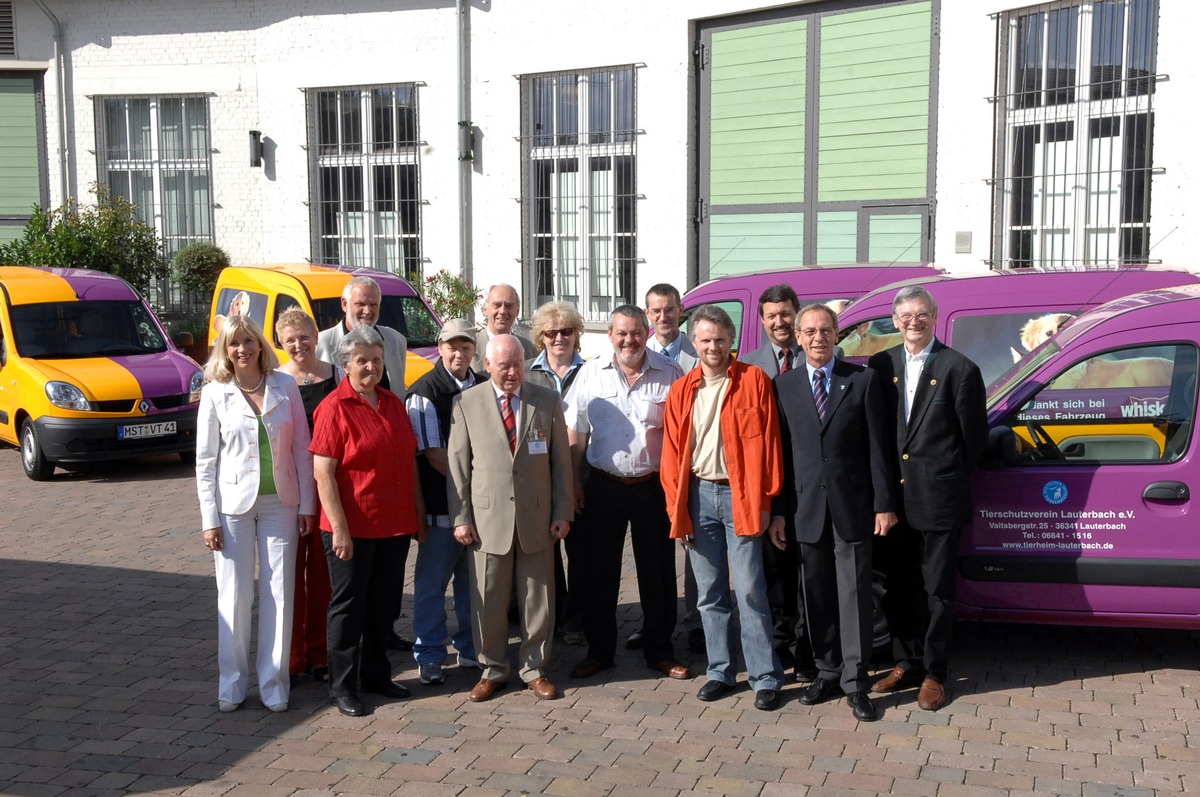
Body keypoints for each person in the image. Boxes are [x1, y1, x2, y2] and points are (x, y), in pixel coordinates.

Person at [769, 303, 898, 722]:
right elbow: (782, 458)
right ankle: (826, 671)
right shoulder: (784, 386)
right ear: (799, 337)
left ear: (837, 334)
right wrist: (779, 512)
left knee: (854, 596)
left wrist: (883, 505)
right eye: (810, 332)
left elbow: (880, 449)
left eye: (825, 330)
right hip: (806, 509)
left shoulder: (861, 381)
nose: (818, 338)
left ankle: (856, 682)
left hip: (854, 508)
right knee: (817, 595)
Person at [867, 285, 988, 711]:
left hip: (938, 499)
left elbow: (972, 441)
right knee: (900, 587)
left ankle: (935, 672)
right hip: (894, 502)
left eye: (921, 314)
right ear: (894, 320)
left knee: (937, 590)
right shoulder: (882, 364)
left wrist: (940, 476)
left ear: (934, 317)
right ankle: (905, 661)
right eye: (905, 315)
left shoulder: (960, 368)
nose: (913, 321)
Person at [661, 304, 785, 712]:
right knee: (710, 594)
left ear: (732, 341)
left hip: (742, 497)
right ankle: (720, 671)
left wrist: (767, 500)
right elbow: (672, 455)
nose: (713, 346)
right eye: (705, 339)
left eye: (719, 339)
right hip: (698, 497)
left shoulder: (754, 380)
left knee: (750, 590)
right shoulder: (681, 390)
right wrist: (676, 511)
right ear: (693, 343)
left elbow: (770, 446)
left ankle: (765, 676)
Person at [196, 315, 317, 714]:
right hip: (232, 507)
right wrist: (208, 517)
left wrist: (307, 505)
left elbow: (302, 448)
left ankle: (274, 682)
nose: (242, 349)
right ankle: (231, 683)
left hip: (280, 502)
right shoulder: (215, 392)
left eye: (249, 341)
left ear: (261, 345)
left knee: (279, 593)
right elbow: (205, 462)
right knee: (233, 595)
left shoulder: (284, 385)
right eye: (234, 344)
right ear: (224, 350)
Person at [566, 306, 689, 683]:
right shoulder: (590, 373)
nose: (629, 340)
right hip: (603, 485)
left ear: (646, 333)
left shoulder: (670, 374)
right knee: (598, 574)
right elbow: (576, 432)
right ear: (610, 336)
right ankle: (599, 652)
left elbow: (682, 436)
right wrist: (572, 482)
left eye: (636, 333)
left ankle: (660, 652)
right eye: (621, 333)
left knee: (659, 574)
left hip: (653, 487)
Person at [447, 335, 573, 703]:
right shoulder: (466, 403)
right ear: (487, 365)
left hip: (536, 517)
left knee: (539, 598)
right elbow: (457, 468)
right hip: (487, 520)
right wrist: (461, 518)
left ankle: (534, 667)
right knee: (488, 599)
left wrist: (562, 511)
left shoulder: (546, 400)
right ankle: (493, 669)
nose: (512, 372)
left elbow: (560, 463)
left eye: (517, 363)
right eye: (504, 365)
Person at [310, 325, 427, 717]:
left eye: (377, 360)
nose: (371, 367)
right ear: (345, 365)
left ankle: (377, 675)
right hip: (351, 528)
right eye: (362, 361)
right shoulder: (333, 408)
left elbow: (408, 462)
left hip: (393, 525)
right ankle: (342, 686)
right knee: (348, 608)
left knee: (384, 606)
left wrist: (417, 516)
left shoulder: (393, 403)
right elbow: (323, 473)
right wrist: (339, 529)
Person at [738, 285, 816, 683]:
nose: (779, 322)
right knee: (773, 573)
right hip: (767, 486)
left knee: (808, 571)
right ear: (762, 320)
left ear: (797, 314)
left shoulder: (818, 358)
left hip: (809, 484)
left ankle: (808, 648)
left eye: (786, 314)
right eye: (771, 315)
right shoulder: (748, 367)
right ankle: (779, 644)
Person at [405, 318, 485, 687]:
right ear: (440, 347)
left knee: (473, 586)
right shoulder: (423, 392)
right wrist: (480, 478)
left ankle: (470, 647)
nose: (459, 352)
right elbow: (434, 455)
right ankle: (432, 654)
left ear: (474, 350)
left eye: (465, 346)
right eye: (452, 346)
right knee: (432, 586)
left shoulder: (484, 385)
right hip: (441, 508)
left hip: (480, 508)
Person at [275, 308, 341, 685]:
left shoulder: (336, 376)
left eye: (304, 337)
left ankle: (319, 652)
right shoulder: (276, 381)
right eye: (290, 340)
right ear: (281, 344)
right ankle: (292, 656)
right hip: (288, 487)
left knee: (322, 575)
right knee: (287, 576)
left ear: (316, 337)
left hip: (327, 485)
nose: (298, 345)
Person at [642, 282, 702, 654]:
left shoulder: (701, 353)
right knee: (655, 556)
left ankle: (696, 622)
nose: (663, 317)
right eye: (655, 311)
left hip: (694, 466)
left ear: (681, 311)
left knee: (697, 549)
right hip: (655, 471)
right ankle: (654, 624)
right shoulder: (636, 353)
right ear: (647, 314)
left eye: (669, 310)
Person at [523, 301, 587, 644]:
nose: (559, 338)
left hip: (580, 474)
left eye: (566, 331)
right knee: (545, 553)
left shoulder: (591, 371)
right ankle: (554, 616)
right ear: (541, 338)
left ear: (576, 335)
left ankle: (577, 619)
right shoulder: (527, 373)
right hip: (537, 477)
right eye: (552, 332)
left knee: (580, 552)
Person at [316, 276, 408, 396]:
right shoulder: (320, 344)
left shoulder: (396, 341)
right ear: (344, 304)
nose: (367, 311)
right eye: (361, 304)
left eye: (373, 305)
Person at [470, 284, 537, 373]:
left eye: (509, 306)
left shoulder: (529, 350)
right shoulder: (470, 348)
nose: (502, 311)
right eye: (497, 305)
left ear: (517, 311)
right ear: (485, 309)